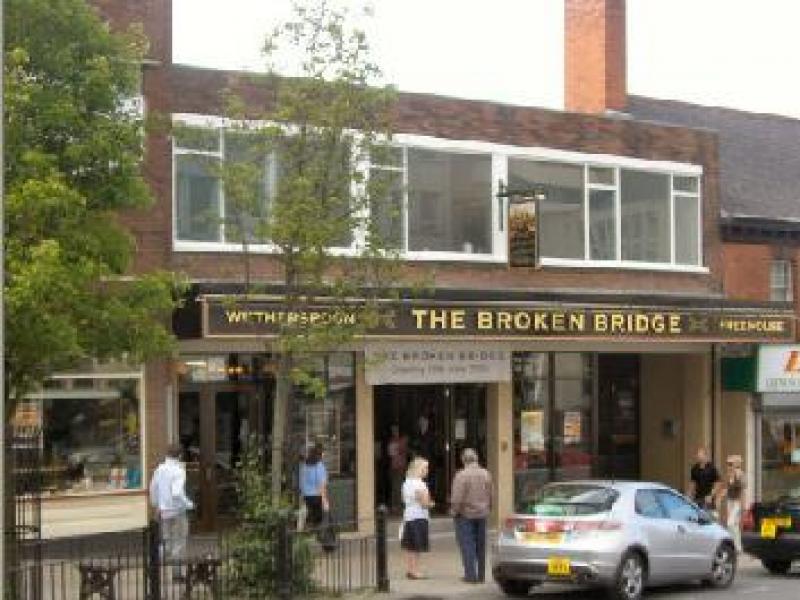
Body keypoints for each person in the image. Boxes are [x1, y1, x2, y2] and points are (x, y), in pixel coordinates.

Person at [149, 444, 194, 580]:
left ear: (167, 454)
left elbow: (153, 489)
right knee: (179, 543)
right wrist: (189, 504)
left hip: (164, 511)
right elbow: (177, 492)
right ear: (180, 456)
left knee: (166, 543)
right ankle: (177, 573)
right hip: (178, 510)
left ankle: (152, 567)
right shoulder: (179, 470)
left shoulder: (159, 469)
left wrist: (156, 505)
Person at [450, 448, 493, 584]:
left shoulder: (461, 475)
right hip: (482, 514)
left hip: (465, 515)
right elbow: (491, 494)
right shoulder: (486, 474)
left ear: (463, 460)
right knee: (481, 545)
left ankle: (470, 575)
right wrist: (488, 508)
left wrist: (454, 511)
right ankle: (481, 576)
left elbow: (457, 498)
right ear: (476, 459)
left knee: (467, 545)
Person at [401, 457, 433, 580]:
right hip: (419, 516)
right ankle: (415, 571)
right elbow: (424, 502)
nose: (427, 470)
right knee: (416, 546)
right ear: (419, 469)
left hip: (408, 515)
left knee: (410, 545)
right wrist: (431, 504)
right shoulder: (419, 483)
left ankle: (410, 569)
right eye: (425, 467)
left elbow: (404, 499)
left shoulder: (406, 482)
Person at [299, 444, 329, 529]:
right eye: (323, 453)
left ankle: (308, 532)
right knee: (318, 521)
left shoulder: (304, 465)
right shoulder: (319, 466)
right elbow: (321, 484)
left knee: (309, 519)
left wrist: (302, 495)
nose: (324, 455)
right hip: (317, 497)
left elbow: (301, 482)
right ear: (320, 454)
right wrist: (324, 500)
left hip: (306, 496)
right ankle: (317, 534)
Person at [720, 454, 746, 552]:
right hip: (730, 501)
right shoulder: (728, 475)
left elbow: (742, 490)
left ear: (736, 464)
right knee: (734, 524)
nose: (729, 466)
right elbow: (727, 488)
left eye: (731, 464)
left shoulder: (740, 474)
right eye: (728, 464)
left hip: (737, 502)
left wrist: (743, 504)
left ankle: (736, 547)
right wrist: (721, 496)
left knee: (730, 523)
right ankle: (737, 547)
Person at [387, 425, 408, 515]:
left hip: (400, 466)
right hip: (394, 466)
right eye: (393, 430)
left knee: (399, 486)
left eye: (395, 430)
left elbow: (402, 450)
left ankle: (399, 506)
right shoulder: (392, 441)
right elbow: (390, 453)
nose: (394, 432)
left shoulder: (402, 440)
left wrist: (398, 448)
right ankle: (395, 506)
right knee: (394, 487)